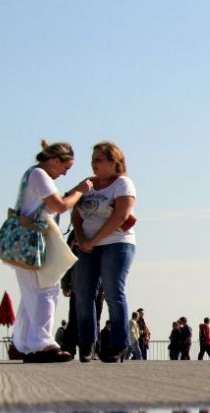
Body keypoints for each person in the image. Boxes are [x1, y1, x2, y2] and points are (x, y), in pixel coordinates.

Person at [8, 141, 92, 363]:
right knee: (46, 290)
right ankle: (42, 344)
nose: (64, 174)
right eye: (65, 168)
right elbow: (59, 206)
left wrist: (72, 192)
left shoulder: (32, 174)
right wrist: (80, 192)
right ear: (55, 161)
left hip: (23, 241)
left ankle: (26, 343)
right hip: (34, 241)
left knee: (30, 295)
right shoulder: (40, 175)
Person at [72, 142, 135, 363]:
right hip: (87, 245)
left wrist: (94, 240)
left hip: (116, 243)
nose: (93, 163)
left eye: (99, 159)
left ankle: (119, 344)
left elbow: (120, 215)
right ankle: (87, 344)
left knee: (113, 291)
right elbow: (76, 215)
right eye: (92, 159)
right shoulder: (88, 186)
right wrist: (81, 239)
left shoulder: (122, 184)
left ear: (113, 162)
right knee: (83, 293)